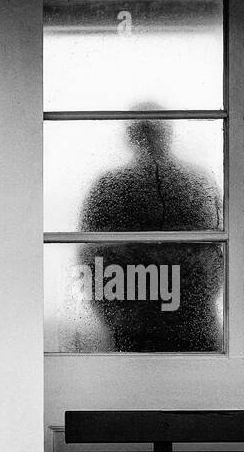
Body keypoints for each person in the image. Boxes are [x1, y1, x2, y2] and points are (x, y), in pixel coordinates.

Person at [77, 111, 223, 351]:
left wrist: (117, 313)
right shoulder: (197, 182)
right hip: (186, 324)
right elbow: (216, 258)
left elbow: (90, 259)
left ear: (130, 138)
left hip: (137, 322)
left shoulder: (109, 187)